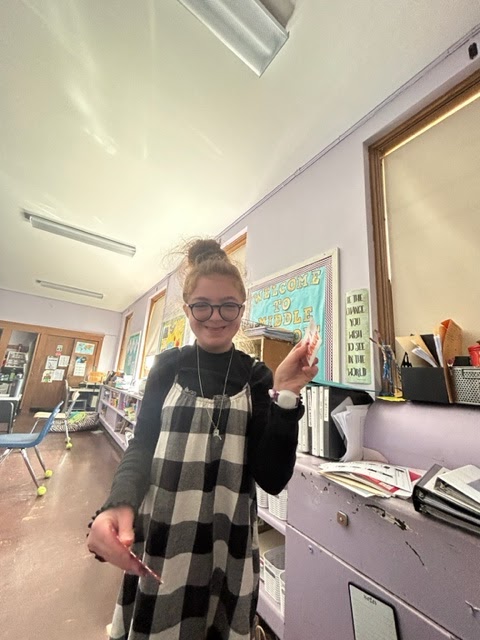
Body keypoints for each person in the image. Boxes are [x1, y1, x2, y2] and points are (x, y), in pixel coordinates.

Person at [87, 238, 319, 640]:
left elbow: (271, 477)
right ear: (187, 310)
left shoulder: (257, 376)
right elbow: (142, 445)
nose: (215, 317)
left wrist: (285, 396)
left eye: (228, 306)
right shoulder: (167, 367)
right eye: (202, 305)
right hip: (164, 537)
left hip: (229, 546)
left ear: (242, 310)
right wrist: (117, 503)